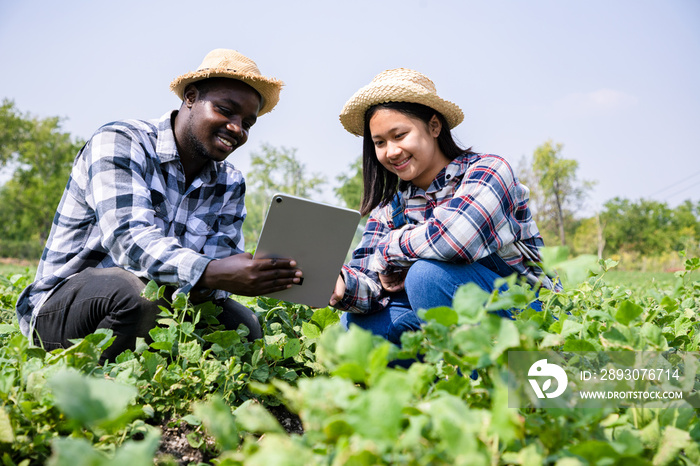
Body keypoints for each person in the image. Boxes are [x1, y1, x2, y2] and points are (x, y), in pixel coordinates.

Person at [15, 49, 302, 362]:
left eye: (247, 123)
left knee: (243, 325)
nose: (237, 128)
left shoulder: (229, 181)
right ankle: (106, 382)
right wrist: (213, 270)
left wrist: (245, 275)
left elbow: (216, 272)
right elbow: (130, 240)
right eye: (225, 110)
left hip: (159, 304)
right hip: (63, 306)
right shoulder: (121, 141)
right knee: (137, 295)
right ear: (190, 97)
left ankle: (167, 370)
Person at [329, 68, 558, 347]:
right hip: (458, 317)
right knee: (354, 325)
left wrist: (388, 251)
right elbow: (370, 278)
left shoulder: (487, 171)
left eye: (399, 135)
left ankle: (490, 381)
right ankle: (441, 375)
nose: (390, 151)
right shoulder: (390, 209)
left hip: (526, 314)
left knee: (426, 277)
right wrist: (342, 284)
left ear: (434, 126)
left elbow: (454, 239)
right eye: (379, 143)